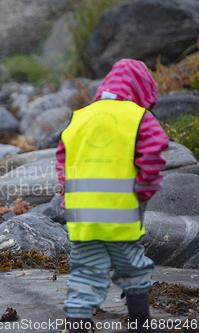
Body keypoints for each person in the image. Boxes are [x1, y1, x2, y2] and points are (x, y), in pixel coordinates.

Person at [55, 59, 169, 333]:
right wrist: (144, 190)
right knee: (133, 268)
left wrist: (68, 195)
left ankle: (78, 325)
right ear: (142, 90)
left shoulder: (80, 116)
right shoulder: (139, 118)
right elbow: (153, 156)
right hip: (121, 216)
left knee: (85, 271)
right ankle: (140, 324)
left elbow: (63, 160)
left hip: (82, 216)